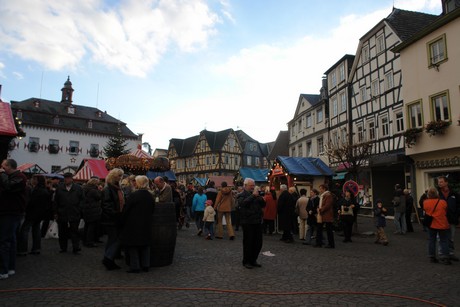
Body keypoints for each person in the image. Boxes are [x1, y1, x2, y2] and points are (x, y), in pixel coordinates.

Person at [119, 176, 155, 273]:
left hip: (133, 224)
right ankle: (146, 265)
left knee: (133, 246)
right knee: (145, 245)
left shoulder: (134, 195)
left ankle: (135, 266)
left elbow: (127, 210)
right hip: (146, 223)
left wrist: (122, 220)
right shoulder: (150, 196)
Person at [0, 159, 28, 280]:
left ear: (9, 166)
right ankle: (10, 268)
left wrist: (2, 174)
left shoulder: (20, 177)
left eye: (3, 166)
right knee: (10, 240)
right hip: (10, 212)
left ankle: (4, 270)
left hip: (11, 213)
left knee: (5, 241)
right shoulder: (15, 177)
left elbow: (8, 187)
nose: (2, 168)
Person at [18, 175, 51, 255]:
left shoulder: (36, 190)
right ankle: (36, 248)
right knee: (36, 230)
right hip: (40, 214)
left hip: (32, 213)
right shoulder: (45, 190)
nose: (32, 180)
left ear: (37, 180)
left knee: (24, 230)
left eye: (33, 179)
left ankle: (22, 250)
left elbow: (31, 202)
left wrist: (26, 209)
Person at [237, 178, 265, 269]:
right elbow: (243, 204)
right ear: (245, 186)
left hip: (257, 221)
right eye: (251, 185)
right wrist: (253, 196)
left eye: (253, 185)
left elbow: (264, 205)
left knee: (258, 242)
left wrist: (260, 197)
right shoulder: (242, 195)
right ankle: (246, 261)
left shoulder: (256, 195)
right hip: (247, 222)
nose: (253, 187)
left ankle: (253, 260)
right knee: (248, 242)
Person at [54, 172, 84, 254]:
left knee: (74, 232)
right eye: (65, 178)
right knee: (62, 232)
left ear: (71, 178)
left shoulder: (78, 188)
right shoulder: (60, 188)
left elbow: (82, 200)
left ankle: (76, 248)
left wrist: (79, 209)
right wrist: (56, 212)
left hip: (74, 213)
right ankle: (63, 248)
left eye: (67, 178)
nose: (66, 179)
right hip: (62, 213)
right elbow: (56, 201)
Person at [101, 168, 125, 270]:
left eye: (121, 176)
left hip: (115, 218)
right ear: (114, 176)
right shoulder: (108, 189)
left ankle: (108, 258)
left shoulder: (117, 188)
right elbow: (106, 205)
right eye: (119, 176)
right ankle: (108, 258)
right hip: (111, 219)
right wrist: (116, 214)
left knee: (112, 239)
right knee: (115, 239)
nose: (120, 178)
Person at [424, 187, 450, 264]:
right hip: (442, 223)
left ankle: (432, 257)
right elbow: (445, 209)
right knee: (444, 241)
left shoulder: (426, 202)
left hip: (431, 224)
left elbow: (425, 210)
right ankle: (445, 257)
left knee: (432, 240)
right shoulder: (443, 202)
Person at [437, 176, 460, 262]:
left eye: (441, 182)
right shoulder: (437, 194)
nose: (439, 183)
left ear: (446, 183)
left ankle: (450, 253)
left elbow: (459, 205)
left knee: (451, 238)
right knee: (440, 238)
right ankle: (441, 254)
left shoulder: (454, 194)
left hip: (451, 219)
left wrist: (456, 214)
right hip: (440, 219)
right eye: (438, 182)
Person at [82, 178, 102, 248]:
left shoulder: (85, 188)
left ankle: (85, 240)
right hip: (93, 210)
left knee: (87, 226)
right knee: (91, 227)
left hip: (86, 209)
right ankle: (89, 242)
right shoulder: (93, 190)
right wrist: (100, 190)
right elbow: (99, 197)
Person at [315, 184, 335, 248]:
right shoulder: (323, 195)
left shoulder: (328, 195)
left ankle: (331, 244)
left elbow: (327, 205)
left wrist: (320, 209)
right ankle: (319, 243)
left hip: (327, 215)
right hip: (322, 214)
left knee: (328, 230)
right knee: (319, 229)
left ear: (324, 189)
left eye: (320, 189)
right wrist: (318, 208)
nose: (320, 190)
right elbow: (321, 204)